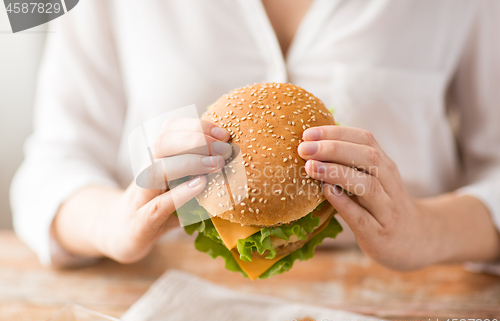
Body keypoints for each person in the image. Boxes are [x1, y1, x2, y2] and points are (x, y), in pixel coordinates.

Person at [11, 0, 500, 271]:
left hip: (415, 293)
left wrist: (425, 229)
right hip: (166, 290)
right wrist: (112, 223)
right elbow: (54, 165)